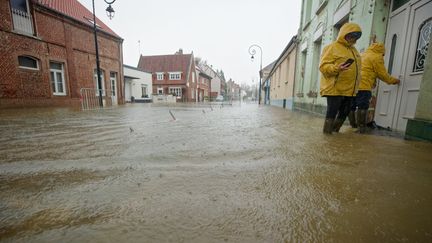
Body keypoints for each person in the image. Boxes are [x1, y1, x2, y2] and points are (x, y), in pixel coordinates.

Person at [319, 23, 362, 134]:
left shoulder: (355, 51)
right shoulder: (332, 47)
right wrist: (336, 68)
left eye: (355, 37)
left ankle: (335, 132)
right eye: (351, 36)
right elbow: (323, 67)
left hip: (350, 89)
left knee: (345, 111)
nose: (353, 39)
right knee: (332, 112)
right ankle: (327, 134)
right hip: (335, 88)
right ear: (344, 34)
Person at [348, 42, 400, 133]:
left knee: (351, 106)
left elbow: (367, 69)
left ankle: (353, 126)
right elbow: (382, 74)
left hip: (353, 85)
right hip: (364, 86)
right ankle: (362, 129)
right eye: (383, 54)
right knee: (362, 106)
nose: (383, 56)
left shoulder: (363, 54)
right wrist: (394, 81)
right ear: (381, 51)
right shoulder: (377, 57)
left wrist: (374, 80)